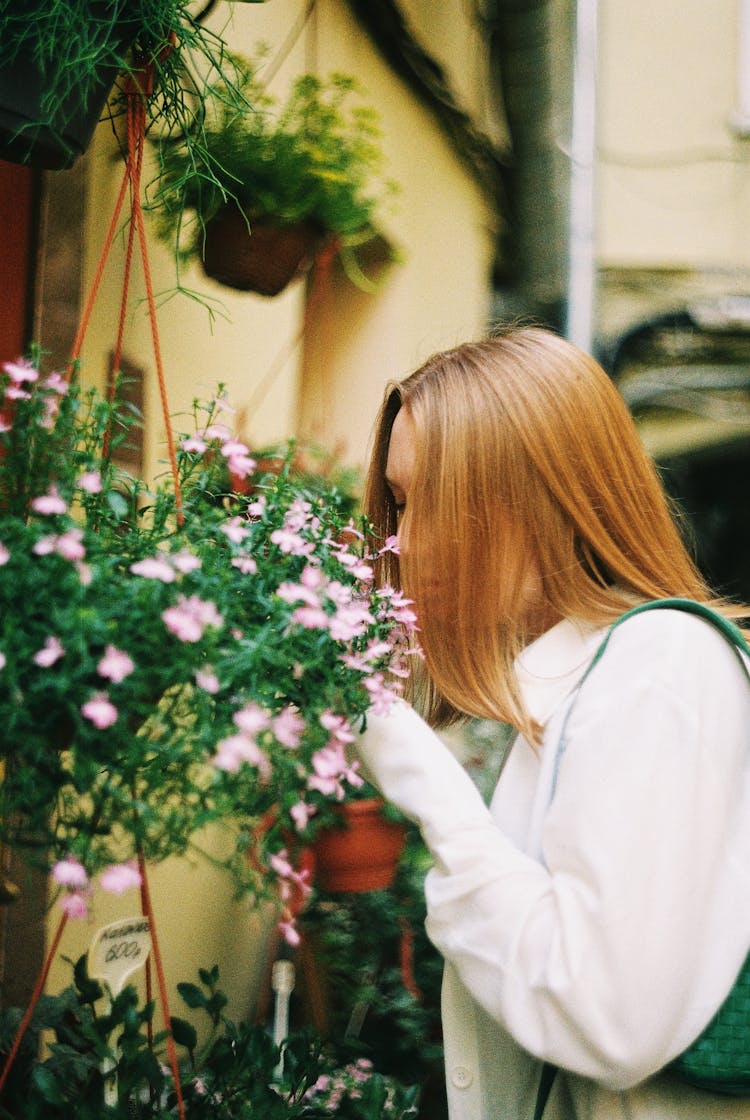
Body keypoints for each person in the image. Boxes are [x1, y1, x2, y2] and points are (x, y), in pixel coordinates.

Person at [355, 326, 750, 1120]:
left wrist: (421, 777)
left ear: (537, 498)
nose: (399, 542)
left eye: (428, 498)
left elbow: (606, 1018)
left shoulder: (660, 663)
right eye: (395, 502)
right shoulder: (564, 680)